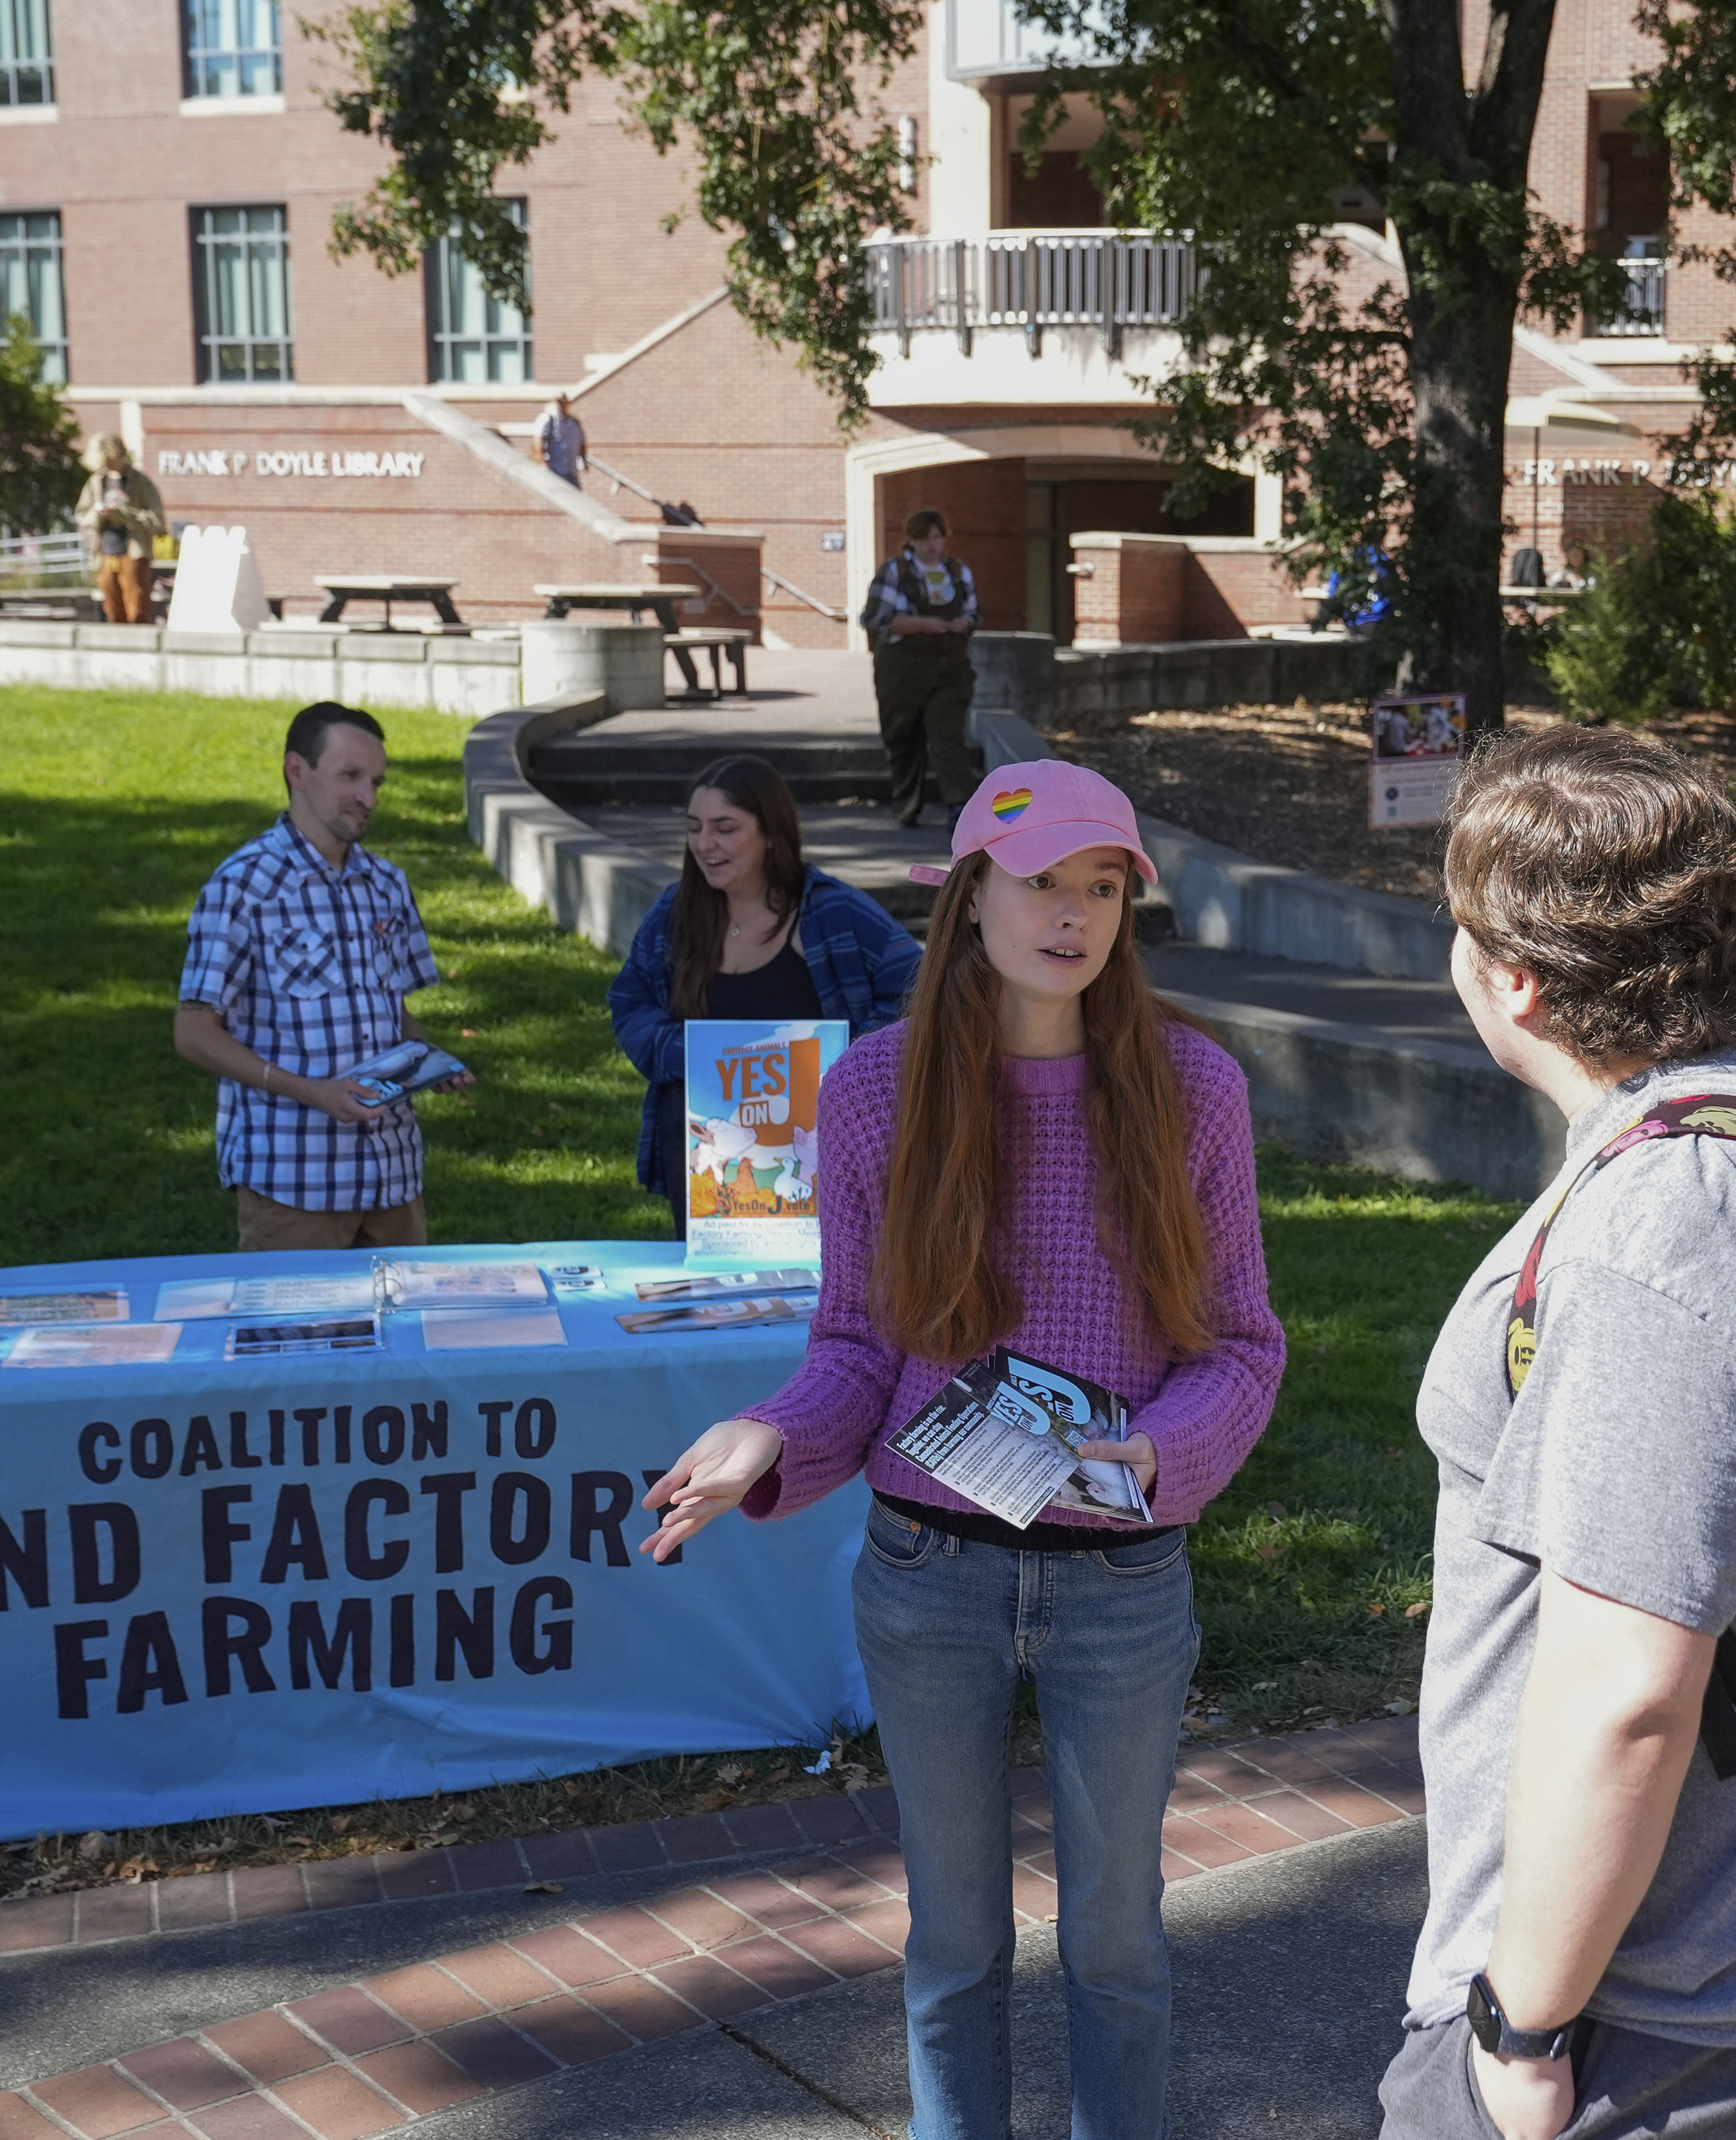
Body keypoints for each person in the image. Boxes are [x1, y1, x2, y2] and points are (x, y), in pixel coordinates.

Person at [635, 759, 1283, 2140]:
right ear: (967, 896)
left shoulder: (1193, 1089)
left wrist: (1155, 1454)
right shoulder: (877, 1092)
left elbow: (1241, 1344)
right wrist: (770, 1435)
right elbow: (861, 1348)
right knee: (953, 1950)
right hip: (929, 1574)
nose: (1077, 913)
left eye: (1103, 885)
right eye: (1044, 880)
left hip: (1123, 1581)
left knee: (1118, 1949)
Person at [1380, 728, 1736, 2140]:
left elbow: (1630, 1687)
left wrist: (1521, 2026)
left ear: (1513, 976)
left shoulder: (1671, 1223)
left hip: (1682, 1995)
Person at [173, 702, 468, 1252]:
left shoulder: (387, 884)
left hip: (394, 1177)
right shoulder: (243, 886)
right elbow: (193, 1032)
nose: (369, 798)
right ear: (297, 771)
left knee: (406, 1336)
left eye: (377, 781)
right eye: (351, 776)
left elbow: (391, 1008)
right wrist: (313, 1092)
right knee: (295, 1338)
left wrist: (431, 1058)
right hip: (294, 1184)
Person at [606, 754, 922, 1237]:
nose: (704, 844)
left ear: (772, 832)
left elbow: (918, 987)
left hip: (815, 1145)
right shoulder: (676, 911)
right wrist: (693, 1056)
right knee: (714, 1296)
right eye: (695, 827)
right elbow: (630, 1001)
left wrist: (838, 1061)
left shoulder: (831, 911)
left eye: (725, 828)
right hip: (705, 1148)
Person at [862, 508, 982, 828]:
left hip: (950, 668)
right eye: (925, 537)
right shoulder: (895, 571)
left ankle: (960, 806)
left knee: (947, 734)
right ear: (912, 539)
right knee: (903, 735)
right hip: (902, 670)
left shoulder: (958, 571)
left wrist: (962, 623)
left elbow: (974, 613)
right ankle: (907, 805)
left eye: (938, 537)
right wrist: (921, 624)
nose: (932, 544)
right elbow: (875, 618)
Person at [75, 437, 167, 626]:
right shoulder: (96, 482)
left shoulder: (140, 482)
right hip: (106, 553)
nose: (107, 465)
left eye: (110, 460)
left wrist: (124, 515)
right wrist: (99, 514)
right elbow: (82, 514)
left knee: (137, 608)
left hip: (133, 552)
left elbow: (158, 521)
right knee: (112, 607)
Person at [532, 392, 588, 487]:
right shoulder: (549, 419)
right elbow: (538, 442)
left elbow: (582, 443)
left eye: (562, 403)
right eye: (558, 403)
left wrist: (584, 460)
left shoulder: (574, 422)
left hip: (572, 470)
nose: (560, 406)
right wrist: (543, 464)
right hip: (555, 471)